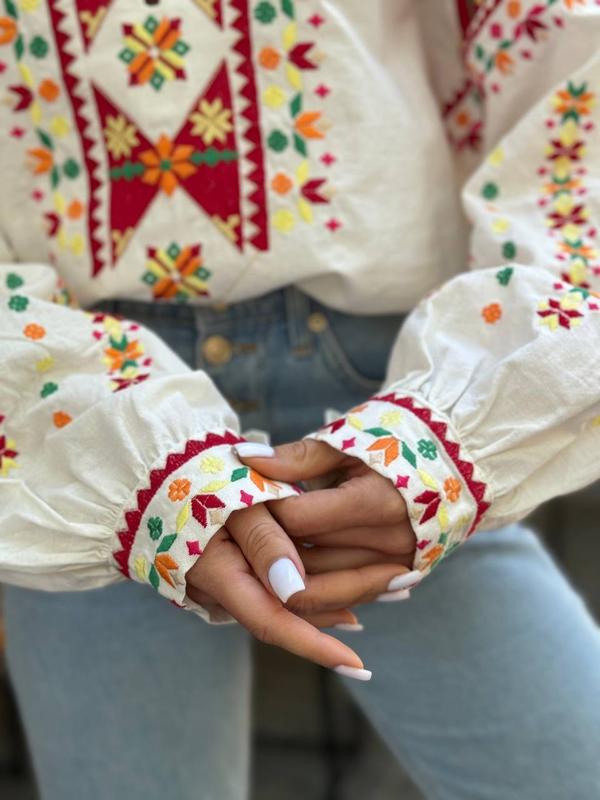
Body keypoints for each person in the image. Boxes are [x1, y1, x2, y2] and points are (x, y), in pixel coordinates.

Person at [0, 1, 599, 797]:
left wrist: (455, 426)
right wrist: (109, 455)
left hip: (387, 403)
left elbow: (570, 63)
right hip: (80, 411)